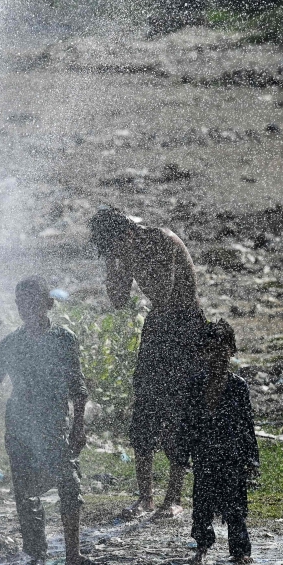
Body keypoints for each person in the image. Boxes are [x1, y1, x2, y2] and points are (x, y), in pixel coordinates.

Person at [0, 276, 104, 565]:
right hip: (19, 425)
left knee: (70, 484)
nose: (26, 307)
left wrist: (79, 425)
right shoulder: (11, 344)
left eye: (33, 300)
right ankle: (36, 557)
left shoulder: (63, 339)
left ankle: (74, 555)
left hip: (54, 423)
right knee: (26, 492)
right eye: (21, 302)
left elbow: (77, 384)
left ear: (48, 304)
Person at [89, 206, 204, 520]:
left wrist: (127, 259)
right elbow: (118, 301)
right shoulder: (122, 252)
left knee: (175, 411)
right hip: (158, 325)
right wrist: (113, 265)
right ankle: (145, 498)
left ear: (126, 232)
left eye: (111, 246)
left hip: (184, 325)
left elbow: (166, 294)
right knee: (145, 410)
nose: (112, 253)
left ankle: (174, 498)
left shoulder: (162, 240)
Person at [187, 320, 258, 565]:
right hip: (204, 453)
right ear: (203, 352)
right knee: (202, 503)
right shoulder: (195, 385)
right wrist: (182, 451)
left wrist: (251, 459)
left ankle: (240, 551)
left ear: (231, 350)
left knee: (236, 506)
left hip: (232, 455)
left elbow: (247, 426)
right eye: (211, 350)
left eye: (222, 349)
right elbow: (189, 422)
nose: (217, 355)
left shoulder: (238, 386)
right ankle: (202, 546)